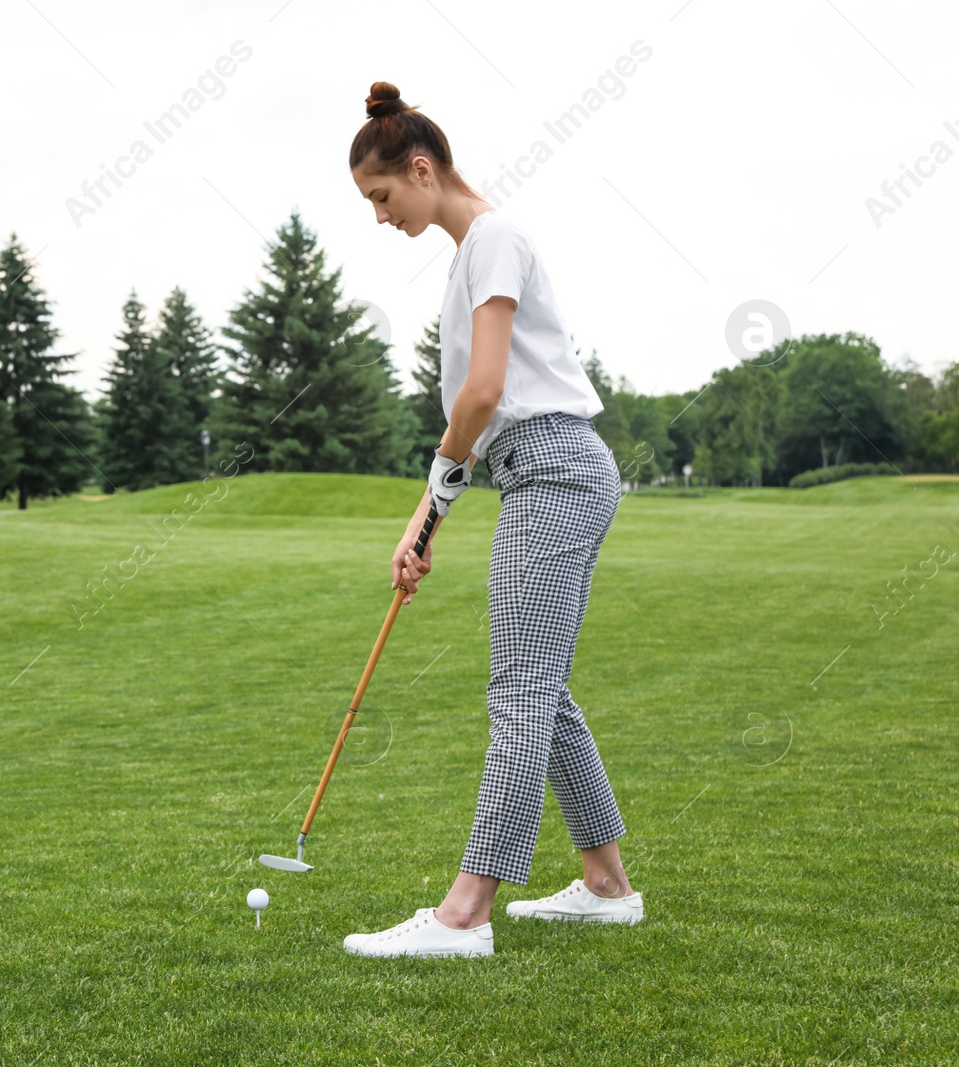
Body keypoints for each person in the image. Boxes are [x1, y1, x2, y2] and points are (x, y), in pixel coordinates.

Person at [342, 82, 642, 959]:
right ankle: (607, 885)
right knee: (542, 690)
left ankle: (465, 914)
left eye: (382, 196)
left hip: (553, 469)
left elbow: (483, 393)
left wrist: (434, 500)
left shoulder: (496, 238)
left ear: (422, 169)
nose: (380, 215)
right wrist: (420, 521)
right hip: (537, 471)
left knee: (518, 690)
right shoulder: (471, 253)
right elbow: (474, 425)